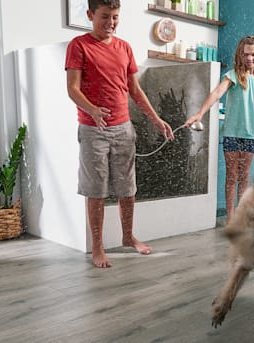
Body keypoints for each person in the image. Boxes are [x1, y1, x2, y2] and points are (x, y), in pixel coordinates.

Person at [65, 0, 174, 268]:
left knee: (128, 189)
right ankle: (98, 248)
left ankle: (128, 237)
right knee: (97, 191)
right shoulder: (78, 46)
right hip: (94, 130)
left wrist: (157, 120)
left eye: (115, 17)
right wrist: (92, 110)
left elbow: (135, 91)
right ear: (90, 15)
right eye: (105, 17)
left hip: (124, 129)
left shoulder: (124, 47)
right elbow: (72, 89)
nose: (111, 23)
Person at [185, 36, 254, 220]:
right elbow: (217, 92)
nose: (249, 58)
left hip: (250, 136)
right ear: (240, 55)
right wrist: (199, 113)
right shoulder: (233, 75)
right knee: (232, 176)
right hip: (232, 134)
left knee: (244, 177)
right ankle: (230, 217)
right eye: (246, 55)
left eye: (253, 54)